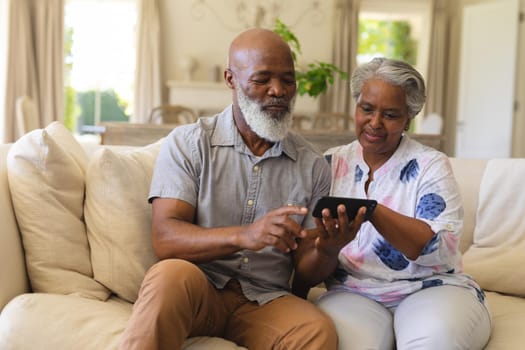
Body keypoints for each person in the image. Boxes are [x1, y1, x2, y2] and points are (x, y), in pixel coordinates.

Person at [118, 28, 342, 350]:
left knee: (316, 330)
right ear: (231, 79)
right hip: (199, 288)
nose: (278, 90)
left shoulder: (313, 166)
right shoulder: (190, 143)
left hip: (265, 299)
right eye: (262, 79)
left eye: (287, 80)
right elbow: (165, 238)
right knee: (168, 277)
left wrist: (328, 248)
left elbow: (306, 273)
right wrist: (245, 235)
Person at [301, 57, 492, 350]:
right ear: (356, 106)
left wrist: (373, 211)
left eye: (390, 115)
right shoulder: (330, 162)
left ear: (408, 118)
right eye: (366, 109)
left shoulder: (430, 165)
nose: (374, 123)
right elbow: (307, 268)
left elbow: (438, 249)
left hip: (431, 289)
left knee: (433, 341)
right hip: (353, 292)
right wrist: (328, 248)